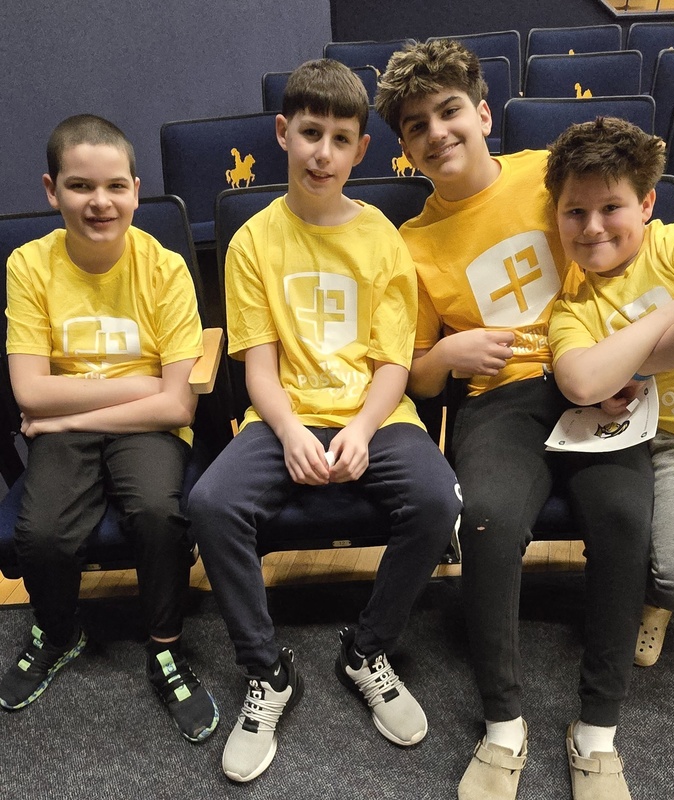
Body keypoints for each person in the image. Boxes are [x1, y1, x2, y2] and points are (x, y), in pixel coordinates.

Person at [376, 40, 655, 800]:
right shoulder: (411, 243)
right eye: (414, 125)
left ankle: (595, 733)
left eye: (449, 110)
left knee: (625, 514)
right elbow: (416, 371)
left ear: (483, 112)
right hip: (493, 401)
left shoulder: (546, 173)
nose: (436, 132)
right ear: (402, 148)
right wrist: (452, 349)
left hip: (594, 380)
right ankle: (504, 725)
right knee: (491, 520)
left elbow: (639, 235)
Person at [186, 59, 462, 783]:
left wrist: (364, 429)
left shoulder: (381, 240)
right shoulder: (252, 241)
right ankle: (266, 670)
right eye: (309, 133)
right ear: (282, 133)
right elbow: (258, 368)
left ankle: (366, 649)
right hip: (283, 416)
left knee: (439, 501)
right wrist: (287, 431)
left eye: (341, 139)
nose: (322, 153)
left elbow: (393, 366)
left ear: (360, 151)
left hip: (377, 415)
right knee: (211, 505)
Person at [0, 114, 219, 744]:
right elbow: (27, 390)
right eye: (80, 186)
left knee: (158, 513)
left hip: (141, 429)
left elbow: (178, 409)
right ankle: (58, 630)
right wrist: (143, 383)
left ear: (135, 188)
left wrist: (64, 411)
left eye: (116, 186)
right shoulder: (28, 265)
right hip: (86, 424)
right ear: (51, 189)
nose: (100, 202)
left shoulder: (165, 267)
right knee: (38, 534)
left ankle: (165, 645)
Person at [546, 116, 674, 676]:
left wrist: (627, 362)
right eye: (576, 211)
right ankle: (658, 597)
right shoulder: (573, 307)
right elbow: (580, 382)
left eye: (611, 208)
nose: (593, 227)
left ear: (647, 203)